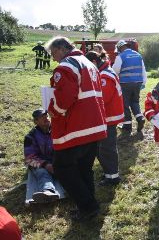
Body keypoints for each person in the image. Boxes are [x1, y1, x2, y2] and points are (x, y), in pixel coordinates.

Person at [45, 36, 107, 221]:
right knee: (84, 169)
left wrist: (52, 111)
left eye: (54, 53)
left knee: (62, 168)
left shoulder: (65, 66)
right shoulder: (89, 63)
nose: (53, 58)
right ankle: (87, 206)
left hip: (75, 128)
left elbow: (65, 99)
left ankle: (88, 206)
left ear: (62, 48)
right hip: (94, 126)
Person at [85, 51, 124, 186]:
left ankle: (113, 177)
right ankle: (109, 173)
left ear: (94, 62)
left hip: (109, 117)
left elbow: (102, 99)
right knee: (103, 148)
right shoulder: (105, 72)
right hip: (108, 117)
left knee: (107, 148)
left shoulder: (104, 76)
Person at [24, 108, 59, 203]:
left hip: (57, 161)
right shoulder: (30, 137)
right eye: (42, 117)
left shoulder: (57, 130)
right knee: (42, 173)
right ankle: (48, 192)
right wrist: (46, 165)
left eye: (46, 116)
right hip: (40, 164)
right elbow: (29, 159)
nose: (46, 118)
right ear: (36, 121)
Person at [112, 40, 147, 135]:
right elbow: (143, 69)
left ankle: (127, 126)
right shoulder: (138, 55)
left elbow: (115, 70)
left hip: (125, 83)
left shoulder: (120, 56)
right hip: (138, 82)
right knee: (135, 101)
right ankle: (140, 118)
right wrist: (143, 82)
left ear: (120, 48)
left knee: (125, 103)